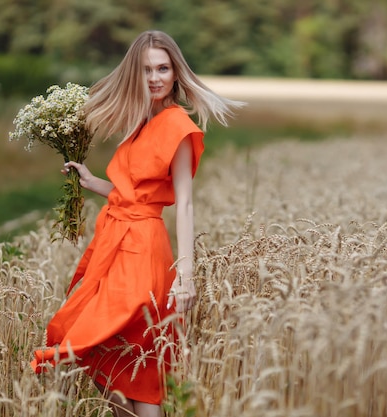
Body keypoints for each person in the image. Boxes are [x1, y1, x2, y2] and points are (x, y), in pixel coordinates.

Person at [31, 30, 243, 417]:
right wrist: (93, 182)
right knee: (133, 366)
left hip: (143, 250)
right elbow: (135, 191)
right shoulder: (143, 121)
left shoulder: (178, 127)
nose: (155, 78)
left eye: (163, 68)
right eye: (146, 70)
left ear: (176, 73)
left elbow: (185, 203)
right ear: (135, 74)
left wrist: (187, 275)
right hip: (118, 240)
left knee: (95, 343)